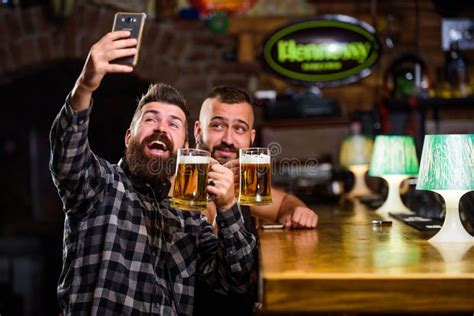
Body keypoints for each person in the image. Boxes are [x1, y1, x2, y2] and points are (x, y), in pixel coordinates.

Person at [49, 31, 257, 315]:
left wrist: (229, 207)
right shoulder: (99, 185)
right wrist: (85, 86)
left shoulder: (189, 218)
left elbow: (235, 279)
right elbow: (68, 152)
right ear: (128, 137)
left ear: (185, 146)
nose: (161, 128)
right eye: (150, 119)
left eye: (173, 124)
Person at [195, 86, 319, 229]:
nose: (228, 139)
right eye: (217, 126)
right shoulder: (182, 187)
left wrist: (297, 212)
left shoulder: (242, 186)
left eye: (239, 128)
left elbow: (284, 202)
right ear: (198, 131)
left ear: (251, 138)